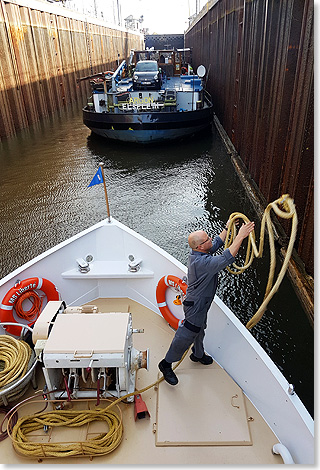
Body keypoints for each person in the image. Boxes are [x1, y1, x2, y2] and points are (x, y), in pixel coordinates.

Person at [158, 219, 255, 385]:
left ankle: (198, 353)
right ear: (200, 247)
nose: (211, 239)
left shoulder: (201, 252)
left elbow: (217, 242)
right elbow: (227, 257)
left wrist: (227, 226)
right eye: (207, 239)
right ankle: (166, 363)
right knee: (188, 332)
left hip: (202, 303)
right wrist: (241, 236)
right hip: (195, 306)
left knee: (200, 328)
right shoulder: (201, 263)